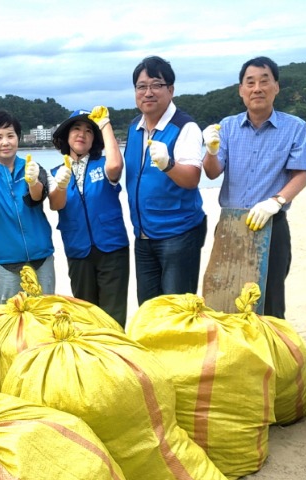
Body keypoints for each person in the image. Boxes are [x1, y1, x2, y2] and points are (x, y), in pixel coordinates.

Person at [202, 56, 306, 319]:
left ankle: (273, 358)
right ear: (241, 90)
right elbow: (212, 172)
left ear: (276, 87)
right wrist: (211, 150)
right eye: (249, 83)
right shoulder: (227, 126)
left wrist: (277, 201)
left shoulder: (295, 127)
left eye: (265, 81)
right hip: (230, 224)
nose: (257, 88)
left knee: (270, 301)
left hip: (272, 224)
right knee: (225, 298)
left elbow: (300, 175)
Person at [123, 56, 207, 305]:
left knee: (177, 310)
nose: (148, 92)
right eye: (141, 86)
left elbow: (192, 178)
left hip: (178, 234)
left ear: (170, 89)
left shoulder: (185, 126)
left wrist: (168, 164)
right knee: (149, 311)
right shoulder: (134, 127)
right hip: (143, 235)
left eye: (156, 85)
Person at [47, 106, 130, 327]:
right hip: (78, 250)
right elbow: (56, 204)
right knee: (85, 315)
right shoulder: (55, 173)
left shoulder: (102, 165)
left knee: (113, 315)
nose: (82, 134)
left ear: (96, 139)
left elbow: (115, 165)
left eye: (89, 130)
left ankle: (115, 357)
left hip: (112, 247)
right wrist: (61, 184)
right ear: (66, 136)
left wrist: (105, 124)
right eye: (76, 128)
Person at [0, 111, 55, 304]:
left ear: (18, 139)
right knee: (9, 320)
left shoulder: (33, 167)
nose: (5, 142)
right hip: (6, 260)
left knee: (45, 317)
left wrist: (32, 181)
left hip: (41, 256)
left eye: (10, 136)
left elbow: (37, 197)